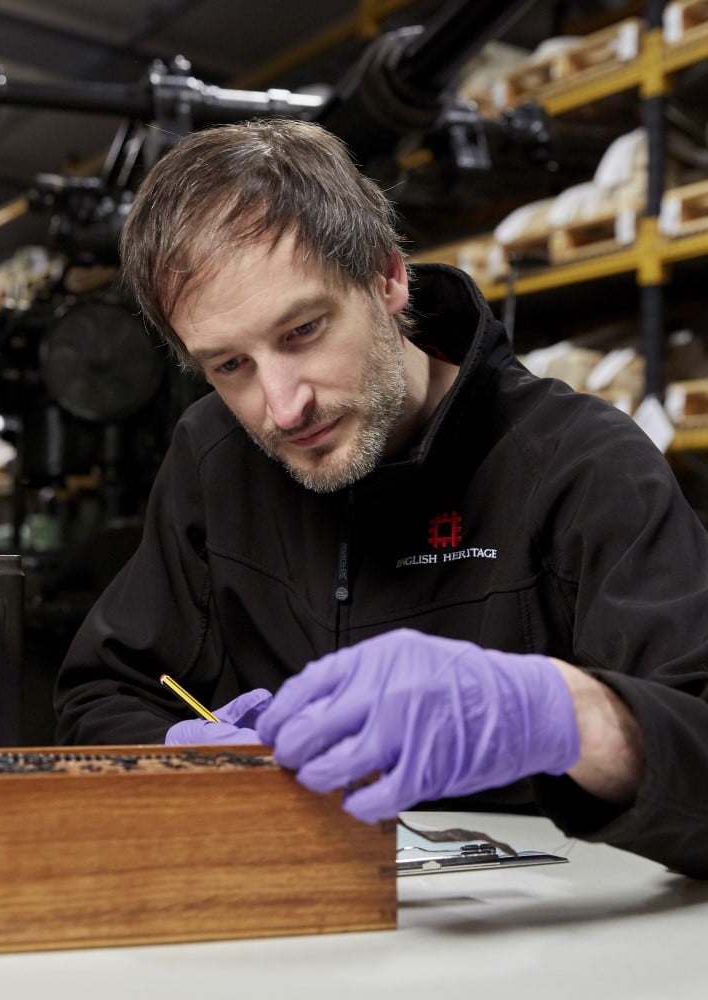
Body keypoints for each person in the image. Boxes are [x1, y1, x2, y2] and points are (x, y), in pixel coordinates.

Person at [53, 118, 708, 878]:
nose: (283, 406)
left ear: (387, 277)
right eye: (230, 364)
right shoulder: (214, 457)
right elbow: (104, 690)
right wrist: (189, 755)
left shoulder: (580, 463)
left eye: (302, 330)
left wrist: (570, 715)